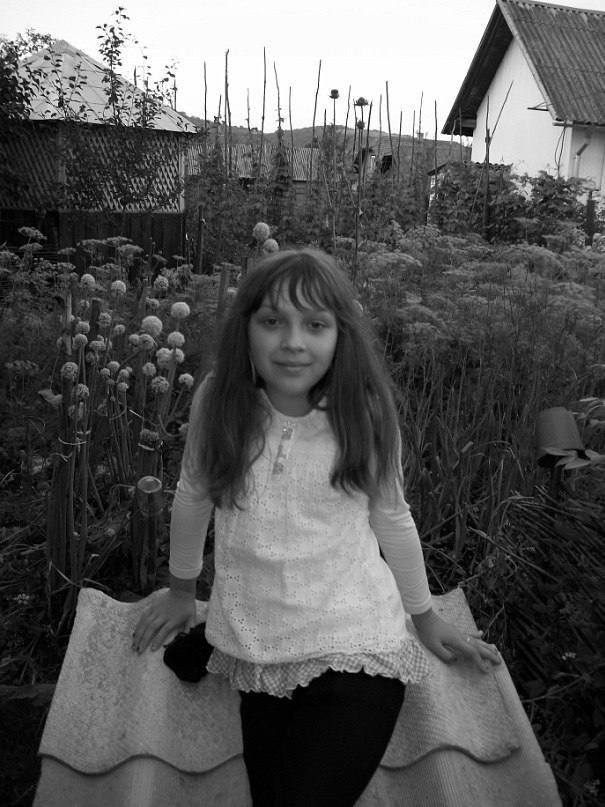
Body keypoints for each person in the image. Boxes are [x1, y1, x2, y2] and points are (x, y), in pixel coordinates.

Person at [132, 248, 501, 807]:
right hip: (257, 642)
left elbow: (391, 517)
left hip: (355, 638)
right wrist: (183, 591)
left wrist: (424, 617)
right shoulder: (220, 401)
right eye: (272, 321)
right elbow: (192, 495)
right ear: (245, 328)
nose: (293, 342)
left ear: (339, 334)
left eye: (315, 325)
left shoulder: (363, 409)